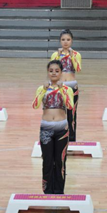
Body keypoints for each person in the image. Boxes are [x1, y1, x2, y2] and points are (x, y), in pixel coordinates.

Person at [32, 60, 74, 194]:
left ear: (61, 72)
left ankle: (59, 190)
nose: (54, 73)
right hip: (46, 128)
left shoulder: (67, 89)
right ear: (47, 72)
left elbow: (70, 106)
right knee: (47, 160)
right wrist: (43, 90)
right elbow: (35, 105)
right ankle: (47, 190)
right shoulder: (42, 88)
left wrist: (62, 89)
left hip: (62, 129)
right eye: (51, 71)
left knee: (60, 160)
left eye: (57, 71)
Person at [50, 29, 81, 141]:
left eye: (68, 39)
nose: (65, 42)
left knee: (72, 115)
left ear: (72, 41)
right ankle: (59, 139)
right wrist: (58, 57)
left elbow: (78, 69)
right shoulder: (55, 55)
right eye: (63, 40)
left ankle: (72, 139)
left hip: (72, 87)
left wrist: (72, 56)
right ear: (60, 41)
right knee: (59, 114)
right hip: (60, 87)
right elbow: (52, 71)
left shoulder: (76, 54)